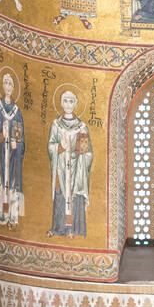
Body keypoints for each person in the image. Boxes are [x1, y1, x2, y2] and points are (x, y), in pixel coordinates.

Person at [47, 89, 93, 237]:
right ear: (61, 103)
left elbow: (87, 152)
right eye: (65, 101)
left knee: (74, 196)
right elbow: (50, 145)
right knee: (60, 195)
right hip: (61, 167)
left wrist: (80, 153)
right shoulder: (56, 125)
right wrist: (59, 148)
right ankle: (58, 228)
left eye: (71, 101)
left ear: (75, 104)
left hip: (75, 168)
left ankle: (73, 229)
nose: (68, 104)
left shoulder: (81, 127)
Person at [0, 71, 24, 226]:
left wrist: (15, 144)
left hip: (12, 155)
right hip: (1, 154)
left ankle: (12, 217)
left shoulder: (17, 112)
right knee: (1, 182)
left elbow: (19, 137)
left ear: (14, 87)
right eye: (5, 83)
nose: (8, 86)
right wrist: (2, 136)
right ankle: (0, 215)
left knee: (12, 182)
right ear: (2, 86)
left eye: (11, 83)